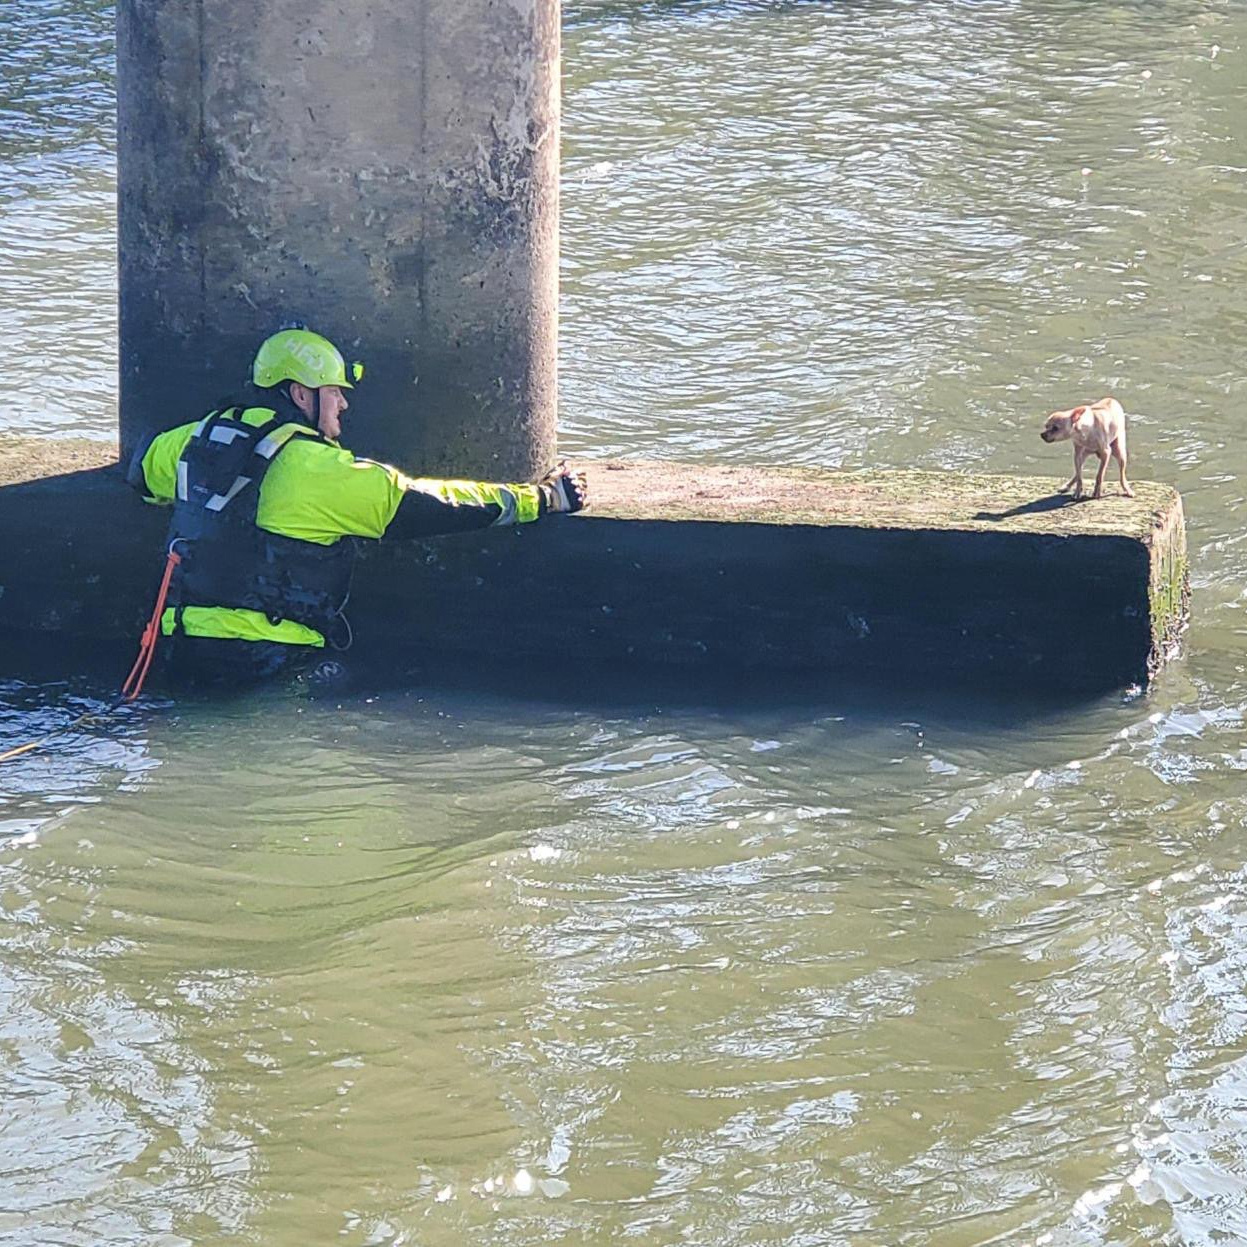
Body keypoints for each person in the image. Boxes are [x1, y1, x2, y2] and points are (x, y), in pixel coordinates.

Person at [126, 327, 587, 688]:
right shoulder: (318, 468)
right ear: (301, 394)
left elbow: (142, 475)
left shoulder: (198, 438)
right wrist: (543, 498)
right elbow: (433, 505)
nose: (344, 403)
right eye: (334, 390)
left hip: (176, 648)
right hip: (268, 659)